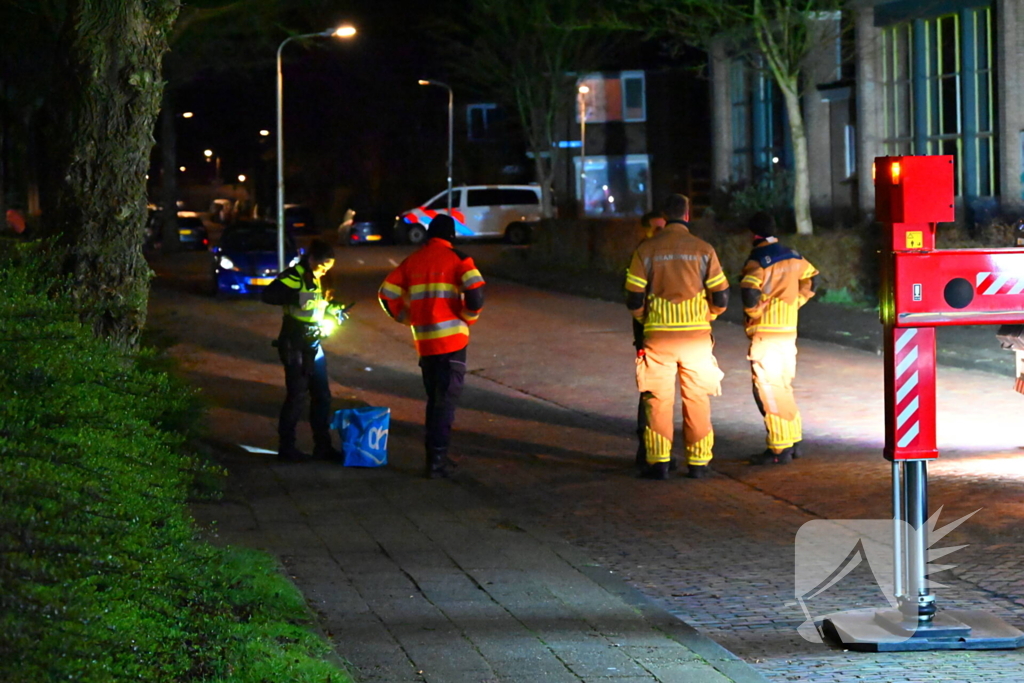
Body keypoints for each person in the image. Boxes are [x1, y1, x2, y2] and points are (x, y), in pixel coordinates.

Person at [625, 194, 729, 480]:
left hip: (659, 338)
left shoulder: (646, 249)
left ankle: (659, 462)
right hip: (696, 339)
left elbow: (633, 297)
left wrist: (646, 319)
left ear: (664, 215)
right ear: (686, 215)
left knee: (657, 400)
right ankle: (699, 463)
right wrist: (708, 315)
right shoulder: (704, 249)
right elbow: (721, 296)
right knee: (697, 398)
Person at [378, 214, 485, 478]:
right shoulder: (459, 259)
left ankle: (436, 457)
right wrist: (468, 317)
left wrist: (406, 317)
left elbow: (386, 294)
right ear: (451, 235)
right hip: (452, 342)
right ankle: (436, 463)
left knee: (435, 402)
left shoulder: (413, 260)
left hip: (425, 344)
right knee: (445, 404)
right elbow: (476, 293)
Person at [740, 212, 819, 465]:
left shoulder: (758, 260)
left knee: (769, 391)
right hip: (788, 334)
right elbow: (813, 278)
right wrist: (798, 300)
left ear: (753, 234)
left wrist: (754, 312)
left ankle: (779, 448)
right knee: (783, 388)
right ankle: (793, 440)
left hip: (766, 335)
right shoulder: (792, 255)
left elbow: (749, 291)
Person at [261, 239, 345, 462]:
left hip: (313, 343)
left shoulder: (320, 278)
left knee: (322, 396)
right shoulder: (294, 275)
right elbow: (268, 295)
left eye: (329, 267)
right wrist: (297, 297)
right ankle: (287, 449)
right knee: (297, 396)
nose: (325, 271)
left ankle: (323, 447)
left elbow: (319, 303)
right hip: (294, 342)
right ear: (311, 259)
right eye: (322, 266)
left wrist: (334, 309)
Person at [633, 210, 667, 470]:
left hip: (675, 337)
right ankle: (648, 452)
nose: (659, 233)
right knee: (651, 394)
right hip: (649, 336)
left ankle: (660, 452)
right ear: (644, 230)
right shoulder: (642, 255)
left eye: (662, 228)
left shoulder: (667, 254)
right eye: (654, 228)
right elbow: (633, 297)